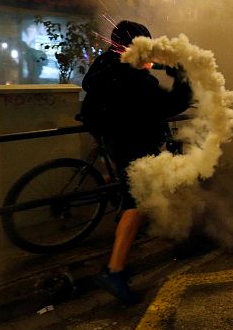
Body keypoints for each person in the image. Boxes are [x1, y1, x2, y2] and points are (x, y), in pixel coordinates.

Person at [81, 21, 192, 304]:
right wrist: (180, 77)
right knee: (137, 203)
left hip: (112, 138)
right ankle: (114, 270)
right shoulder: (133, 79)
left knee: (135, 190)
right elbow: (169, 105)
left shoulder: (106, 64)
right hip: (131, 143)